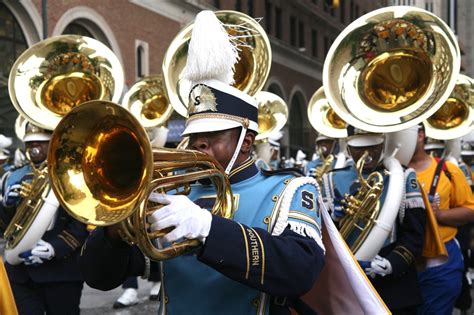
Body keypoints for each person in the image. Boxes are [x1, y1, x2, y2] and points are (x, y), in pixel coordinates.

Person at [80, 10, 325, 314]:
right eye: (195, 134)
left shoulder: (291, 189)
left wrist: (208, 229)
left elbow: (301, 270)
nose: (199, 142)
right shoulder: (175, 196)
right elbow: (100, 278)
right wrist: (115, 230)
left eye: (213, 134)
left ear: (246, 141)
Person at [321, 127, 426, 314]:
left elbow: (415, 234)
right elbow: (318, 234)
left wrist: (392, 263)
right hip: (346, 281)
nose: (366, 154)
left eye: (373, 146)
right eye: (359, 148)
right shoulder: (331, 179)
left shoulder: (403, 176)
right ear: (348, 147)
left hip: (393, 286)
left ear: (383, 143)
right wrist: (332, 217)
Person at [0, 123, 88, 315]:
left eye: (41, 143)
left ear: (54, 144)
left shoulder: (72, 177)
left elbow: (82, 224)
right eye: (30, 144)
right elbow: (5, 228)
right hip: (21, 274)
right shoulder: (13, 177)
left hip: (61, 270)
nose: (34, 148)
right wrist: (6, 206)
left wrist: (54, 248)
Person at [408, 125, 474, 314]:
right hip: (402, 264)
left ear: (421, 135)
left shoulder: (448, 170)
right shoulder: (387, 173)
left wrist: (439, 215)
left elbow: (471, 209)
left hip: (441, 261)